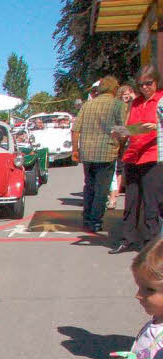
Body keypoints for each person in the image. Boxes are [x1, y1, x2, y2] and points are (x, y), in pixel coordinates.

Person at [114, 66, 163, 253]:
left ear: (156, 82)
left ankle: (153, 243)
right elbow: (129, 126)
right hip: (133, 155)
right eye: (141, 85)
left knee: (151, 203)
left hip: (153, 155)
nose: (144, 88)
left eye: (148, 84)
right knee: (131, 201)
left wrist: (156, 125)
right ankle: (128, 239)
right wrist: (120, 133)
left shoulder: (160, 100)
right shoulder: (136, 103)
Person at [71, 75, 126, 238]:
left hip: (87, 152)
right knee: (102, 189)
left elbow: (75, 129)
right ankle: (95, 221)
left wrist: (75, 150)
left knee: (89, 186)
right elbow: (122, 130)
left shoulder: (88, 105)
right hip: (107, 152)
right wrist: (121, 147)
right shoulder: (118, 105)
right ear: (115, 89)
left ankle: (87, 217)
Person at [108, 84, 137, 210]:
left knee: (125, 170)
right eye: (124, 93)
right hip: (118, 142)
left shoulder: (135, 106)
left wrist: (134, 99)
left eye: (129, 93)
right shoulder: (116, 107)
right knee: (116, 169)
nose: (127, 95)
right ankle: (112, 198)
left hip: (130, 143)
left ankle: (116, 195)